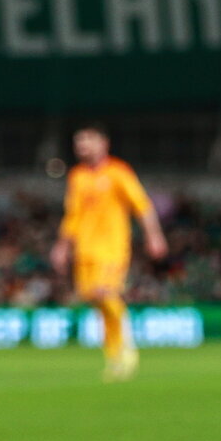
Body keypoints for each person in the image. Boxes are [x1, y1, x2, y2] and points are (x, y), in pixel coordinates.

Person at [50, 124, 168, 381]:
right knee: (95, 299)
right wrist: (62, 246)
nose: (82, 146)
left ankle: (126, 349)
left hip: (112, 247)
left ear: (104, 143)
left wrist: (154, 236)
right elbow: (73, 216)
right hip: (85, 250)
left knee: (106, 293)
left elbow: (142, 205)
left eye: (87, 140)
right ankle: (114, 356)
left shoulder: (118, 172)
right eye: (78, 141)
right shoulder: (77, 176)